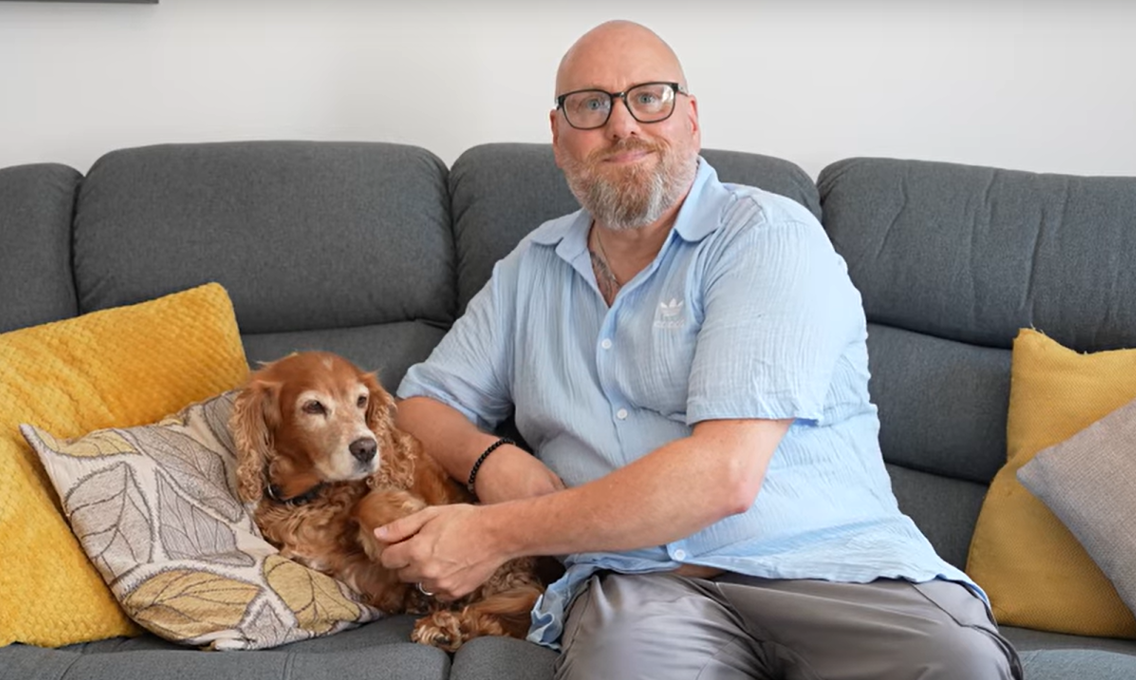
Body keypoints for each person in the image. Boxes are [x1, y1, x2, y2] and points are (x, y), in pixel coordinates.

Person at [375, 19, 1022, 680]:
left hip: (833, 569)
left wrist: (495, 532)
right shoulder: (529, 271)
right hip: (642, 585)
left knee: (958, 666)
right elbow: (420, 403)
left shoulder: (766, 238)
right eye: (591, 105)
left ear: (690, 117)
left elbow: (724, 476)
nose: (622, 125)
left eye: (648, 97)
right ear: (559, 136)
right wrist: (490, 461)